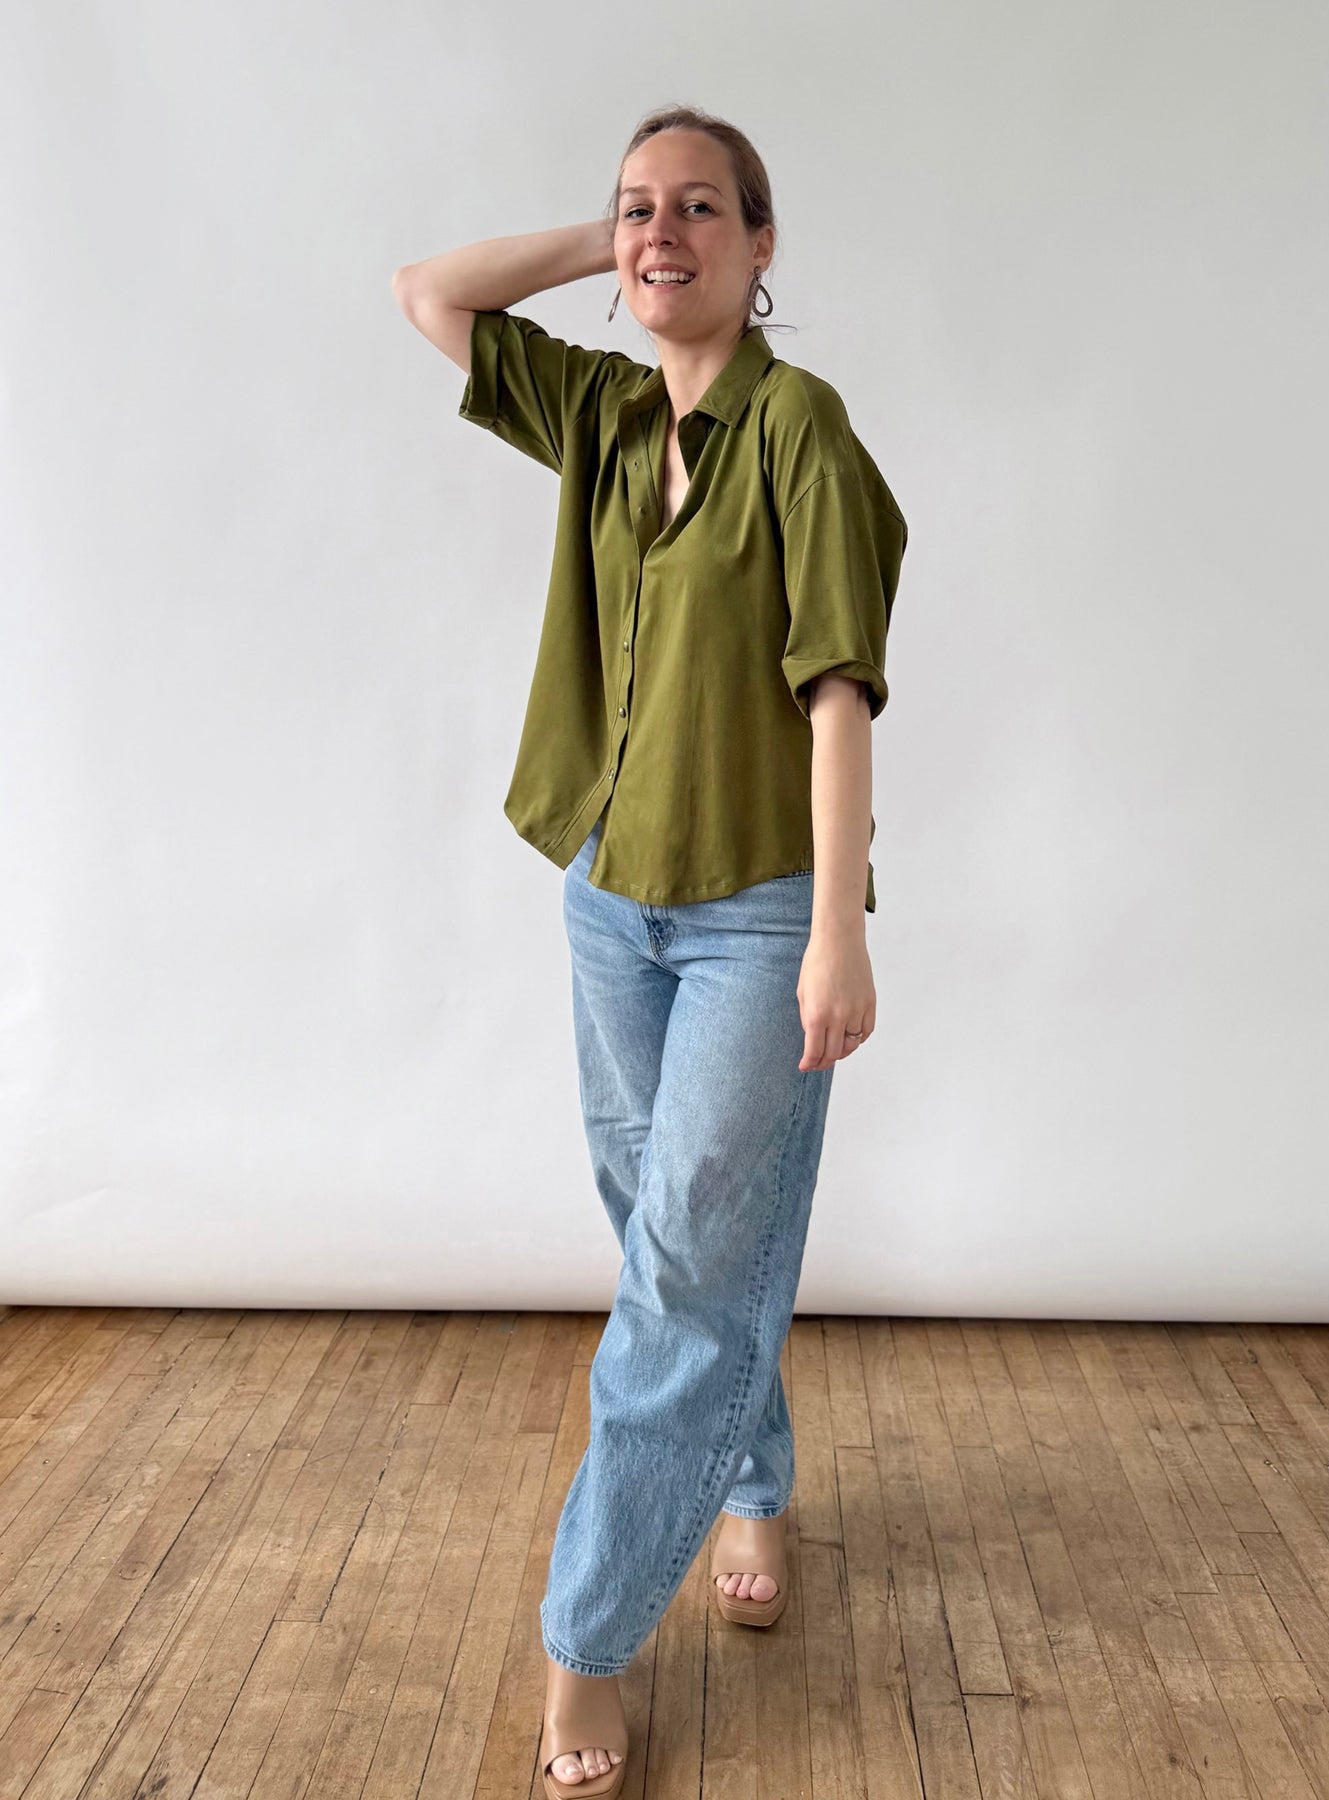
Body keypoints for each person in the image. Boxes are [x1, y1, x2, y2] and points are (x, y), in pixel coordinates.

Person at [394, 104, 907, 1800]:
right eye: (638, 209)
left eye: (700, 209)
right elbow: (430, 294)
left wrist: (833, 933)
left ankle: (586, 1639)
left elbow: (836, 694)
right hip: (610, 898)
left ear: (763, 246)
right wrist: (605, 245)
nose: (661, 231)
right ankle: (750, 1480)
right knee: (657, 1225)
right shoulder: (605, 414)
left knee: (686, 1256)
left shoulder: (799, 429)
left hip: (760, 913)